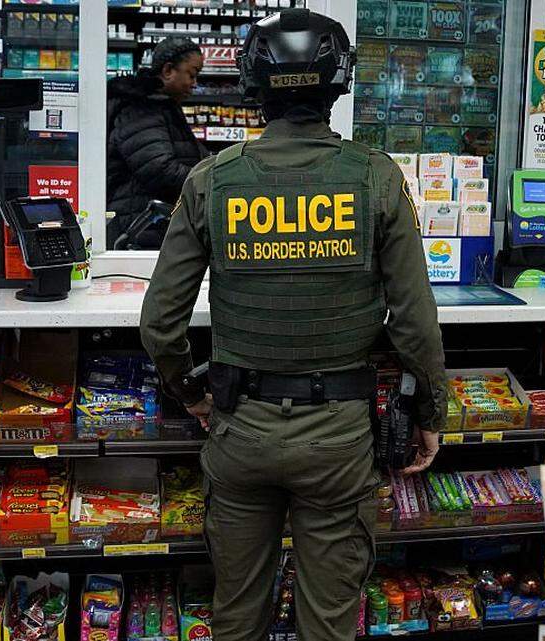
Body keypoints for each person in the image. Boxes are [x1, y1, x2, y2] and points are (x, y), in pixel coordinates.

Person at [141, 9, 447, 641]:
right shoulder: (375, 177)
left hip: (240, 429)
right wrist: (430, 414)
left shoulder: (211, 181)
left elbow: (161, 322)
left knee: (236, 615)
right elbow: (415, 322)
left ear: (253, 84)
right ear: (339, 82)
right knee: (329, 622)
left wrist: (190, 393)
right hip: (338, 439)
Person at [107, 37, 208, 248]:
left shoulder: (162, 108)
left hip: (153, 225)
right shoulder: (139, 109)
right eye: (191, 74)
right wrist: (210, 179)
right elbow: (159, 170)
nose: (194, 83)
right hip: (141, 227)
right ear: (168, 70)